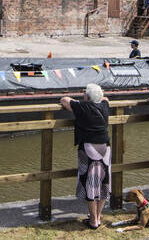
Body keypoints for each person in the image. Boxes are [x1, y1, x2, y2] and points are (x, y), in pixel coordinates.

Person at [61, 84, 111, 230]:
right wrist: (96, 97)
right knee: (103, 182)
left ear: (87, 97)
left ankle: (93, 220)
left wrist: (81, 100)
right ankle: (98, 216)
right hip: (105, 148)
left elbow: (64, 100)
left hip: (89, 148)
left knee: (90, 183)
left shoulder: (81, 107)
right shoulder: (104, 106)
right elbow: (105, 98)